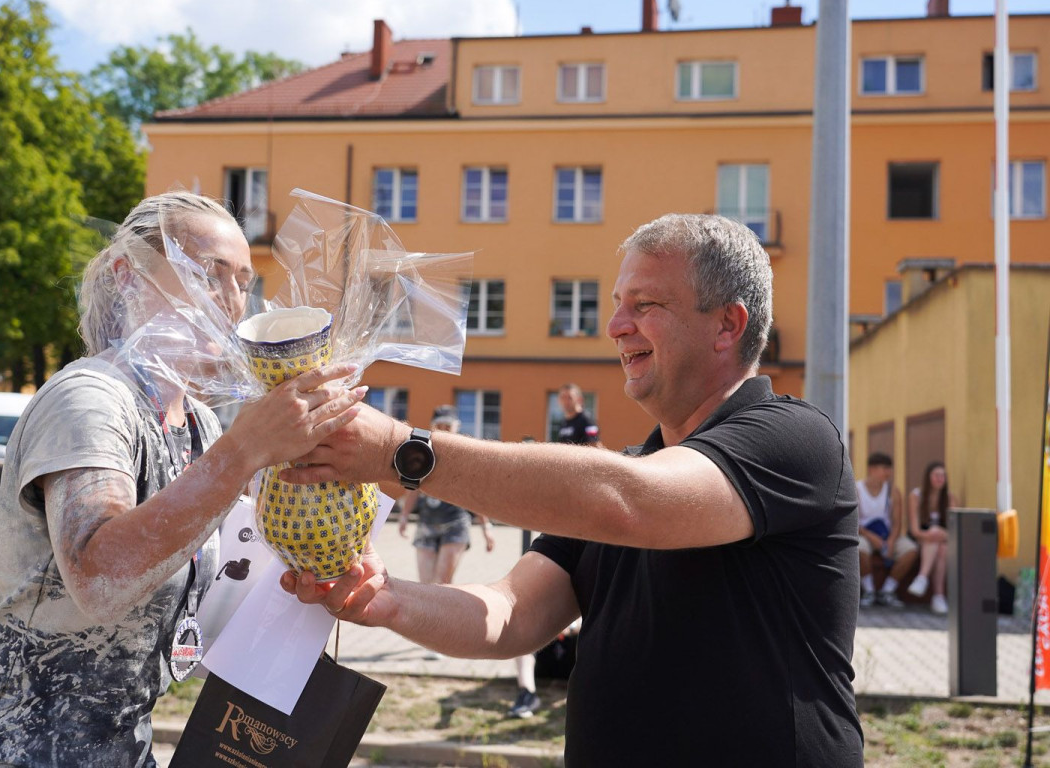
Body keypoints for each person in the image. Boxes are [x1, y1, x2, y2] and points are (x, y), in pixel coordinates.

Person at [282, 213, 863, 766]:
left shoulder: (794, 438)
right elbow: (511, 615)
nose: (615, 327)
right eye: (616, 307)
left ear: (727, 325)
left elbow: (634, 504)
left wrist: (400, 451)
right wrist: (389, 600)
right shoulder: (624, 477)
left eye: (646, 305)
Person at [0, 191, 362, 768]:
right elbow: (101, 576)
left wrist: (319, 559)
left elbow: (198, 588)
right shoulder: (90, 398)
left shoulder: (198, 424)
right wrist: (246, 450)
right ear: (125, 276)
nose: (228, 299)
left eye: (242, 281)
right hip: (2, 747)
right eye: (205, 272)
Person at [509, 383, 600, 719]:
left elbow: (593, 452)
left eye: (567, 398)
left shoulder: (585, 420)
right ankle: (526, 693)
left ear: (578, 399)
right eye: (560, 399)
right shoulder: (562, 425)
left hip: (578, 497)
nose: (564, 403)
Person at [397, 405, 495, 592]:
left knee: (441, 582)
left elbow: (473, 494)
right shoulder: (423, 452)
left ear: (456, 427)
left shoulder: (464, 456)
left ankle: (440, 619)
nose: (443, 430)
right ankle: (427, 620)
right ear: (432, 427)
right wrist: (404, 516)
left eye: (447, 426)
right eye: (439, 426)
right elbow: (413, 489)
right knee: (425, 586)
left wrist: (486, 528)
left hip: (455, 523)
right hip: (427, 523)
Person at [857, 452, 918, 608]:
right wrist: (873, 538)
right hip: (863, 533)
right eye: (884, 468)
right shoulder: (856, 489)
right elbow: (852, 522)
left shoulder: (893, 491)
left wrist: (890, 542)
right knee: (859, 548)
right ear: (871, 469)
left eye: (889, 469)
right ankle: (869, 591)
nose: (888, 473)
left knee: (910, 550)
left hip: (887, 534)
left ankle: (887, 591)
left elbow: (897, 522)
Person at [907, 461, 959, 615]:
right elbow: (915, 530)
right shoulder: (916, 496)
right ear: (928, 477)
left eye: (943, 476)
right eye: (936, 475)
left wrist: (941, 533)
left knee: (942, 547)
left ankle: (923, 579)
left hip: (943, 542)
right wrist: (931, 533)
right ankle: (938, 596)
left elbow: (955, 530)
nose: (940, 479)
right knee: (934, 540)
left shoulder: (949, 498)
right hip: (921, 539)